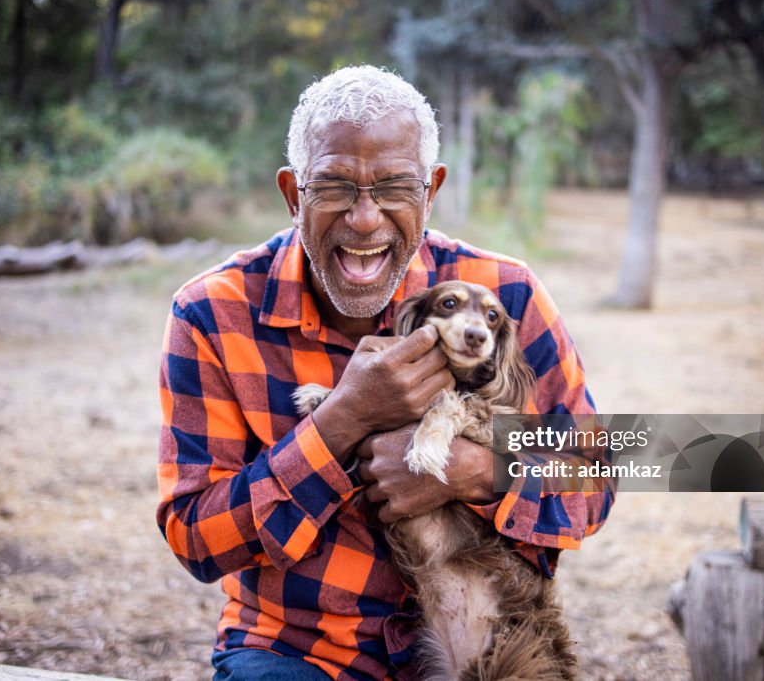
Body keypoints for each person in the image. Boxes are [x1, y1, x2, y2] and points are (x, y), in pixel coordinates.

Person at [156, 65, 613, 681]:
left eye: (395, 186)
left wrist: (475, 471)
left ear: (431, 190)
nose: (365, 218)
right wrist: (344, 420)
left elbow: (601, 474)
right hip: (300, 649)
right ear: (294, 194)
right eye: (335, 186)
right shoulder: (213, 312)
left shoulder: (506, 298)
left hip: (487, 645)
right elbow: (196, 538)